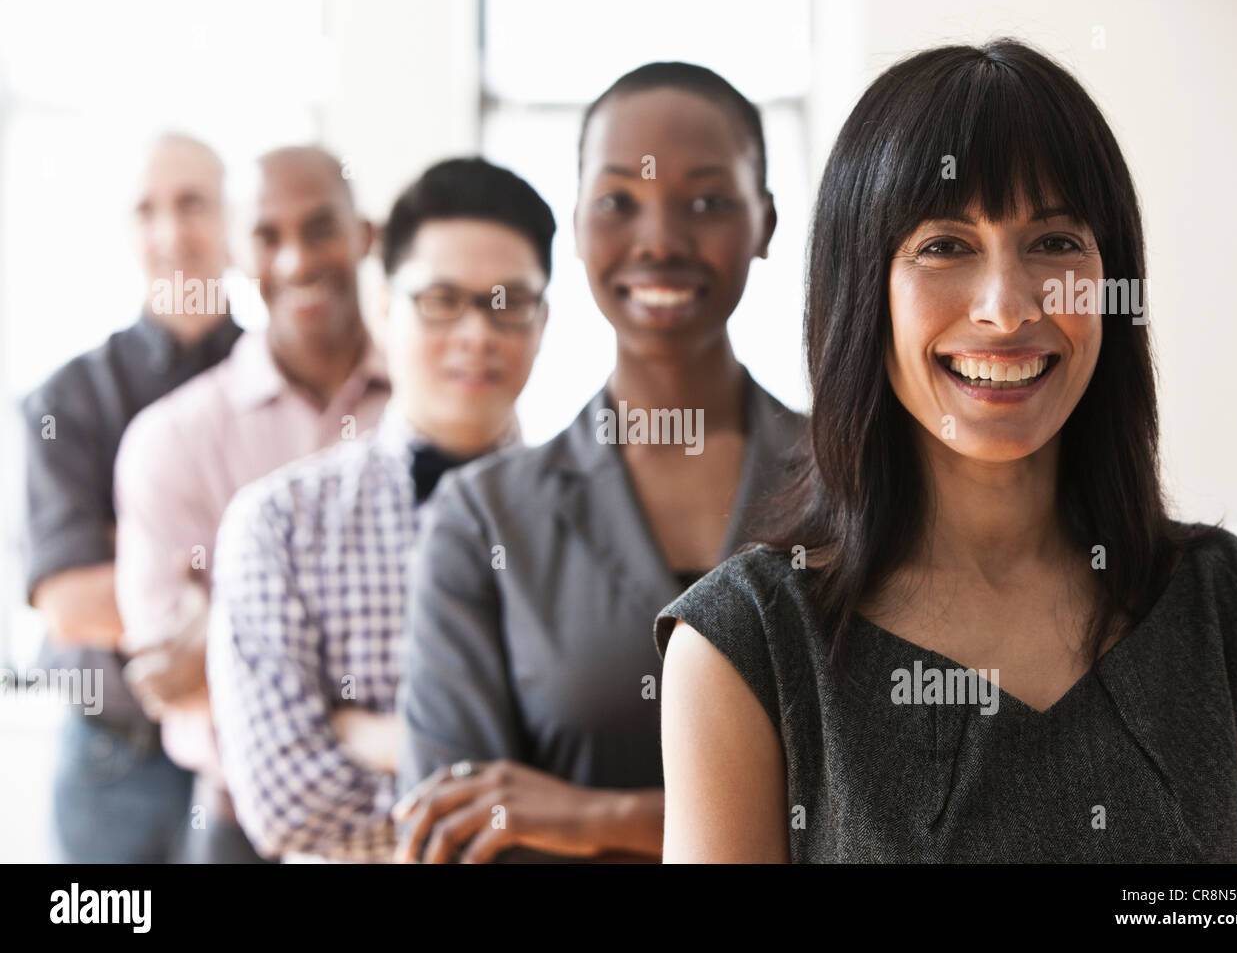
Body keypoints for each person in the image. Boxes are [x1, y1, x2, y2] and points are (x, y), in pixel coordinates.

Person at [655, 39, 1237, 863]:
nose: (1006, 308)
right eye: (944, 246)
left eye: (1057, 243)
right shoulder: (745, 648)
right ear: (862, 290)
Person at [394, 62, 805, 863]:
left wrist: (596, 818)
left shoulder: (855, 482)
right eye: (619, 200)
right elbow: (454, 830)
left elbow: (899, 808)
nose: (659, 239)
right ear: (578, 225)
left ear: (766, 223)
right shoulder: (483, 518)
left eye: (709, 201)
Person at [207, 157, 553, 862]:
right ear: (385, 308)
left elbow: (621, 766)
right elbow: (289, 805)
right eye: (441, 300)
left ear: (544, 319)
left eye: (508, 302)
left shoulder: (597, 516)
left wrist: (383, 739)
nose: (477, 334)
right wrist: (541, 810)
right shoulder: (279, 524)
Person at [113, 145, 390, 862]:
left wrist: (241, 631)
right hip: (240, 827)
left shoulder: (437, 414)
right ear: (239, 251)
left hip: (415, 818)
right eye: (269, 236)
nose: (297, 261)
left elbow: (471, 643)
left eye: (321, 227)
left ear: (365, 235)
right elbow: (169, 678)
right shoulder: (170, 439)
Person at [21, 133, 243, 863]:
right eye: (147, 210)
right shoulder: (69, 399)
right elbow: (71, 604)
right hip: (114, 759)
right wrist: (244, 598)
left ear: (231, 220)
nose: (172, 232)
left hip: (252, 752)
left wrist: (144, 564)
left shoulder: (279, 387)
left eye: (194, 204)